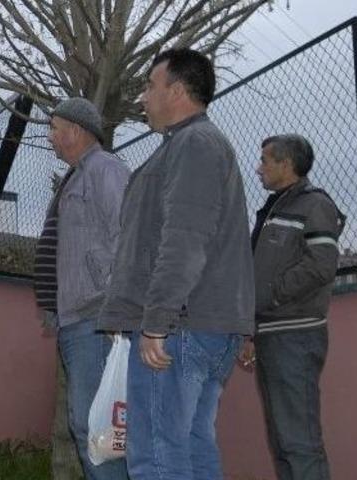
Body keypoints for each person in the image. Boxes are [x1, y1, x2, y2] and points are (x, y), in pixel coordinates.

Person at [98, 48, 254, 480]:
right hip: (200, 325)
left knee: (155, 455)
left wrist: (156, 321)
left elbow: (184, 240)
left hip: (179, 327)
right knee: (191, 444)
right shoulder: (197, 145)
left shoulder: (194, 144)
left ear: (177, 91)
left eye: (150, 86)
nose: (143, 97)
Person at [33, 97, 130, 480]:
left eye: (54, 128)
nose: (49, 137)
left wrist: (113, 303)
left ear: (75, 131)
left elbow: (127, 235)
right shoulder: (76, 176)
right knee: (90, 425)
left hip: (97, 318)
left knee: (99, 429)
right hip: (76, 320)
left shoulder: (105, 169)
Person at [238, 134, 344, 480]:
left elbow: (321, 266)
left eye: (265, 161)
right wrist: (252, 328)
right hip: (272, 335)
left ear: (286, 164)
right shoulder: (276, 207)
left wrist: (269, 295)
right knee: (283, 442)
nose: (258, 168)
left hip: (295, 337)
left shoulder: (314, 205)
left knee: (299, 442)